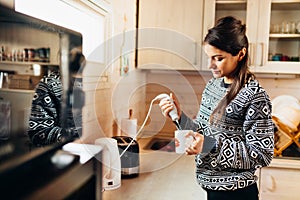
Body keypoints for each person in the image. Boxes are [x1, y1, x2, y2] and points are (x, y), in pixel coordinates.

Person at [159, 16, 274, 200]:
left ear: (241, 54)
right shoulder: (213, 86)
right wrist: (179, 117)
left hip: (237, 193)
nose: (210, 65)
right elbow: (202, 133)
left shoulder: (255, 96)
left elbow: (262, 154)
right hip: (211, 188)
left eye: (218, 58)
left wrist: (210, 145)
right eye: (209, 57)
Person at [27, 48, 85, 146]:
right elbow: (38, 132)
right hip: (60, 155)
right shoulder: (49, 85)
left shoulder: (93, 83)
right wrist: (74, 137)